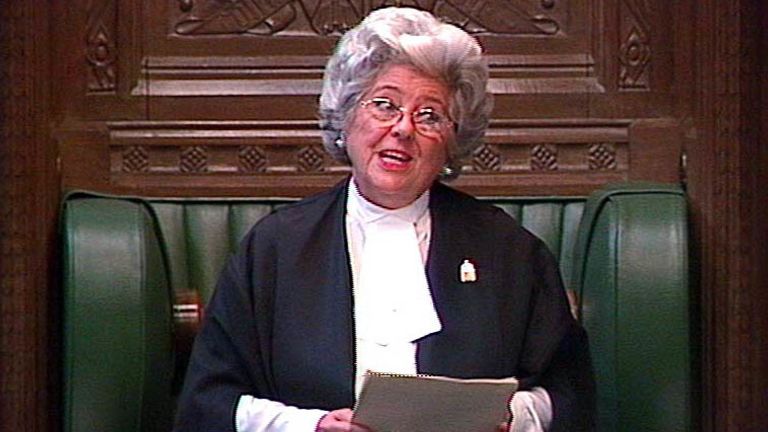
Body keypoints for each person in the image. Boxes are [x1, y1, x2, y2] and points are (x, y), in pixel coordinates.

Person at [174, 6, 594, 432]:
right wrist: (311, 427)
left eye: (429, 115)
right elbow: (208, 401)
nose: (404, 129)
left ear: (453, 140)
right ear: (346, 116)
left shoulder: (508, 249)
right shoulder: (276, 248)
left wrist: (512, 419)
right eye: (384, 105)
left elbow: (567, 391)